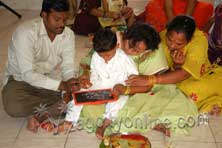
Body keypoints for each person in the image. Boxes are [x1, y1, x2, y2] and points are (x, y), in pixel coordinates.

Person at [76, 23, 198, 138]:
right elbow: (90, 63)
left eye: (137, 51)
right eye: (130, 46)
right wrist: (86, 75)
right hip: (106, 87)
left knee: (156, 99)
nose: (130, 52)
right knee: (89, 106)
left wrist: (126, 90)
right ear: (125, 36)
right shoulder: (110, 40)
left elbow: (147, 85)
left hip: (133, 90)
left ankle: (146, 122)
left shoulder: (148, 55)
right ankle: (143, 122)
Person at [1, 0, 77, 133]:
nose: (61, 24)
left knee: (74, 97)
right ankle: (53, 107)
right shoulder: (25, 33)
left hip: (50, 79)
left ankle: (39, 114)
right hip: (20, 82)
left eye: (65, 19)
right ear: (44, 15)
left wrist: (70, 84)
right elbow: (28, 74)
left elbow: (68, 66)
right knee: (13, 106)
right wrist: (61, 86)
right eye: (57, 19)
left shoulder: (68, 35)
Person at [127, 15, 222, 116]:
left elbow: (185, 74)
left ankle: (212, 103)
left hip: (201, 76)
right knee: (163, 93)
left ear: (189, 40)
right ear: (167, 31)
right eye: (169, 39)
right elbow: (162, 69)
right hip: (172, 78)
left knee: (188, 93)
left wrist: (150, 79)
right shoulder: (162, 36)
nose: (172, 46)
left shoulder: (199, 41)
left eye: (179, 44)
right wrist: (176, 65)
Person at [58, 28, 138, 139]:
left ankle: (104, 125)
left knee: (119, 102)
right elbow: (95, 73)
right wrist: (90, 82)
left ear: (117, 46)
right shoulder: (96, 56)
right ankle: (69, 121)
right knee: (79, 94)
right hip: (100, 85)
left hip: (118, 88)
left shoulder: (125, 59)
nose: (105, 58)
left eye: (108, 55)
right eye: (102, 56)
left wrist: (125, 87)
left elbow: (134, 77)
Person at [136, 0, 213, 32]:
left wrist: (185, 22)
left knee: (205, 8)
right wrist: (172, 21)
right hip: (168, 6)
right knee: (153, 6)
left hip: (189, 8)